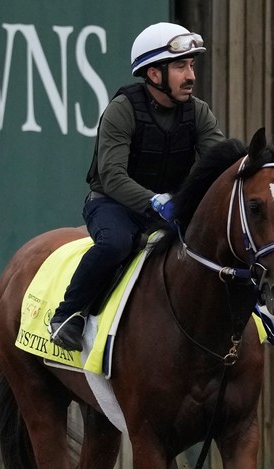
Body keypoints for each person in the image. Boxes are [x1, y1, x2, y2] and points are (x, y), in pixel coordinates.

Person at [48, 22, 226, 351]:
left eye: (191, 65)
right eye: (180, 67)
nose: (191, 76)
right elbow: (112, 176)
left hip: (169, 207)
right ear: (154, 74)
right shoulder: (122, 110)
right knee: (115, 244)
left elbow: (221, 163)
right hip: (113, 205)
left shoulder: (198, 112)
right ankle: (67, 315)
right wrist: (156, 201)